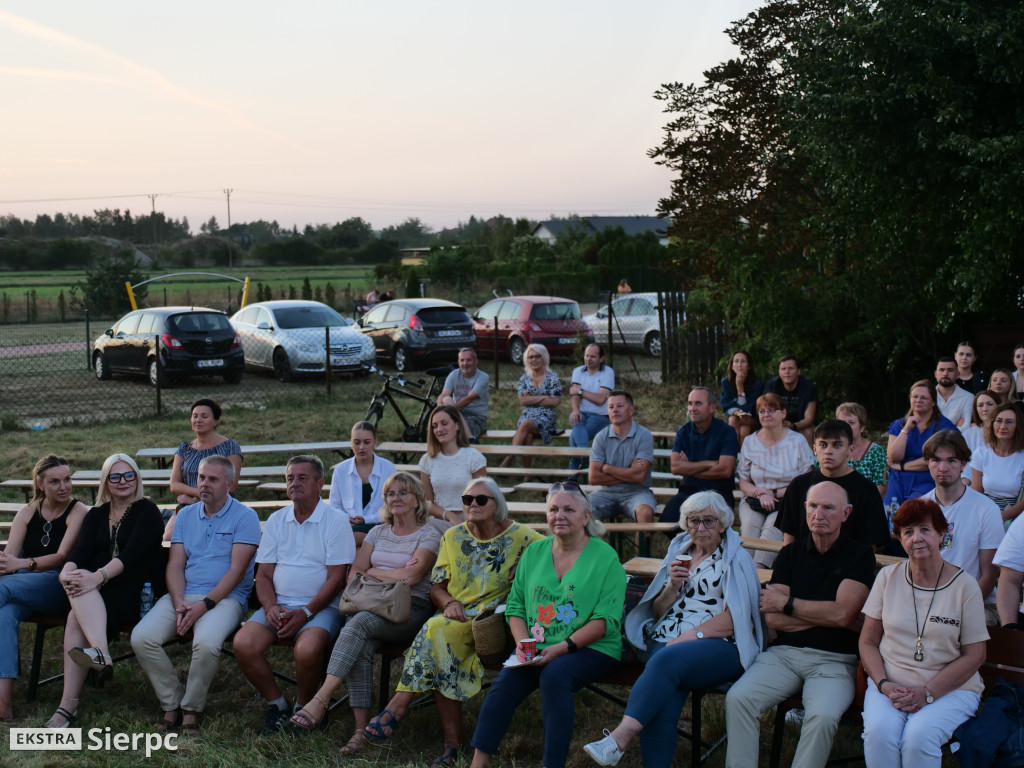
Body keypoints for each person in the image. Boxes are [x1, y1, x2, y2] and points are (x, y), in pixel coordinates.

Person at [364, 478, 544, 767]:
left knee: (436, 633)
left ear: (497, 505)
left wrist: (527, 570)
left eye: (481, 499)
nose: (472, 504)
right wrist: (448, 602)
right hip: (454, 616)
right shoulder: (453, 536)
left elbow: (556, 552)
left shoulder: (521, 536)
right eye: (467, 499)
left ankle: (400, 708)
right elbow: (437, 586)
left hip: (492, 622)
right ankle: (451, 746)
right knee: (441, 643)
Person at [583, 492, 764, 768]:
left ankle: (619, 739)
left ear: (723, 523)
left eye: (708, 521)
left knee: (666, 662)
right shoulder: (679, 552)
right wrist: (672, 587)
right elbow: (657, 612)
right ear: (686, 524)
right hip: (667, 642)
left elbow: (735, 619)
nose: (701, 528)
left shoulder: (736, 560)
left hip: (719, 645)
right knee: (664, 700)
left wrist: (688, 638)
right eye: (694, 521)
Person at [469, 482, 626, 768]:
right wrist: (522, 644)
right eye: (553, 509)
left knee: (555, 677)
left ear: (586, 516)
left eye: (569, 509)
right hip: (537, 648)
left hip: (592, 647)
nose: (559, 515)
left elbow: (605, 621)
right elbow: (515, 607)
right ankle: (477, 764)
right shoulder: (535, 552)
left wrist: (562, 648)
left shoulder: (606, 558)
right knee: (503, 685)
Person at [724, 481, 876, 768]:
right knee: (739, 699)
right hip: (784, 656)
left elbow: (842, 614)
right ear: (805, 509)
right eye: (814, 506)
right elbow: (773, 618)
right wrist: (828, 616)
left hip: (835, 662)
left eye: (829, 507)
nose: (819, 513)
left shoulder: (860, 556)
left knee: (823, 716)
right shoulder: (790, 554)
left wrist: (789, 604)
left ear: (846, 513)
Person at [289, 472, 441, 755]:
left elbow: (412, 577)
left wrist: (374, 571)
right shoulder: (377, 532)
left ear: (418, 499)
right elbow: (355, 571)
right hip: (369, 604)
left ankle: (321, 699)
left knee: (356, 625)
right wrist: (390, 574)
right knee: (360, 643)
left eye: (403, 493)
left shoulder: (429, 534)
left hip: (408, 610)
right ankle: (361, 733)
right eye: (391, 493)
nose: (396, 498)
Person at [131, 455, 261, 734]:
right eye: (201, 477)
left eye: (213, 479)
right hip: (184, 594)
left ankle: (191, 709)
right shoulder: (186, 515)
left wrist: (205, 605)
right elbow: (176, 565)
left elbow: (237, 572)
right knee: (142, 638)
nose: (204, 484)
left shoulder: (246, 517)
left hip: (225, 599)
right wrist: (178, 601)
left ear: (230, 483)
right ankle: (172, 701)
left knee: (206, 643)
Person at [232, 456, 355, 735]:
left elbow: (337, 579)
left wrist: (307, 612)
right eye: (290, 478)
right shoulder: (277, 520)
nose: (294, 483)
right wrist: (271, 606)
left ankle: (305, 709)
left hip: (320, 608)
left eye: (302, 478)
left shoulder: (335, 521)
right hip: (279, 604)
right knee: (243, 643)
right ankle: (277, 704)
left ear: (320, 484)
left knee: (307, 649)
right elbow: (262, 575)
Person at [860, 498, 987, 768]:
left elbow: (975, 655)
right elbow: (868, 641)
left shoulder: (966, 587)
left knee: (919, 737)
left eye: (925, 529)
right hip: (890, 686)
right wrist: (883, 684)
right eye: (908, 532)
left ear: (942, 534)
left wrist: (927, 693)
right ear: (900, 539)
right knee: (879, 735)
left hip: (951, 689)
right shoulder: (887, 577)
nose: (916, 538)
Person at [47, 454, 165, 728]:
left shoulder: (147, 510)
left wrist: (96, 577)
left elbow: (132, 555)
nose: (123, 481)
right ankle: (99, 657)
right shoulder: (97, 514)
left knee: (77, 606)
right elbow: (80, 551)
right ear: (106, 482)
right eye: (115, 476)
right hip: (97, 590)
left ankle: (68, 706)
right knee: (78, 594)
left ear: (137, 479)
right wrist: (68, 570)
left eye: (129, 475)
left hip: (138, 591)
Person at [0, 456, 88, 722]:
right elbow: (10, 558)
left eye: (67, 479)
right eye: (55, 481)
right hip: (21, 584)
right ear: (40, 484)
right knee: (3, 616)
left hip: (58, 583)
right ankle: (3, 704)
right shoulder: (28, 511)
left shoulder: (78, 510)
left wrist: (23, 564)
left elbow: (62, 556)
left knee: (2, 590)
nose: (64, 486)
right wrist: (9, 564)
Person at [921, 430, 1003, 625]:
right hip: (928, 601)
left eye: (951, 460)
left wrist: (952, 609)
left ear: (963, 464)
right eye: (936, 460)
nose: (943, 467)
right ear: (928, 463)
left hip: (977, 602)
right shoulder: (921, 507)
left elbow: (989, 576)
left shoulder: (986, 509)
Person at [777, 420, 890, 551]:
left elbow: (870, 546)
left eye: (837, 445)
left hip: (849, 567)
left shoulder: (867, 490)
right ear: (814, 449)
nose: (828, 451)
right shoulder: (798, 485)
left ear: (850, 450)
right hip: (803, 565)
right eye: (823, 445)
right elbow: (789, 540)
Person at [736, 393, 814, 566]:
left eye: (772, 410)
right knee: (749, 528)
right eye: (762, 411)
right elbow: (743, 480)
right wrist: (760, 493)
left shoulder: (797, 441)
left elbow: (806, 479)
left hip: (788, 500)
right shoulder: (749, 441)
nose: (766, 415)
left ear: (783, 414)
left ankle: (759, 575)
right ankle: (744, 572)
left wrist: (773, 493)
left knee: (771, 532)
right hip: (754, 499)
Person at [164, 398, 243, 541]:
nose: (198, 420)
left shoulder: (230, 447)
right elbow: (174, 484)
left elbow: (231, 487)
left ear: (215, 421)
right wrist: (195, 499)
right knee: (168, 537)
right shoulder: (184, 449)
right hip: (187, 505)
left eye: (204, 416)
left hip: (221, 505)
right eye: (195, 416)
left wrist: (196, 498)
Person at [662, 386, 738, 523]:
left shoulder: (727, 432)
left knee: (711, 526)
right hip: (689, 491)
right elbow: (675, 468)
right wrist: (708, 464)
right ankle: (691, 545)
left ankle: (703, 545)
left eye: (698, 403)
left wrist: (689, 469)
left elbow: (725, 470)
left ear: (712, 407)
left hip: (719, 493)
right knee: (667, 520)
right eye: (690, 403)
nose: (692, 408)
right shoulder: (683, 433)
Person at [588, 391, 657, 526]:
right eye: (611, 407)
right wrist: (629, 473)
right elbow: (593, 478)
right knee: (581, 510)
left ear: (631, 410)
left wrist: (607, 468)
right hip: (606, 492)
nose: (615, 410)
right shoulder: (601, 437)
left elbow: (639, 477)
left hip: (637, 492)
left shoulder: (644, 435)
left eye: (620, 406)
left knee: (645, 514)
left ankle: (641, 548)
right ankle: (592, 548)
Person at [886, 380, 957, 507]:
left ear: (933, 402)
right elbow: (893, 458)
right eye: (915, 397)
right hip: (898, 480)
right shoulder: (899, 425)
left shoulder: (944, 427)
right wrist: (906, 429)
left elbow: (932, 461)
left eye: (924, 398)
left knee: (912, 511)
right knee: (888, 511)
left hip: (927, 480)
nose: (918, 400)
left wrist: (902, 466)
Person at [328, 421, 398, 546]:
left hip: (381, 525)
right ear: (351, 443)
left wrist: (366, 520)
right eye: (356, 442)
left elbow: (392, 505)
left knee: (351, 539)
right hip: (348, 526)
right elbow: (335, 505)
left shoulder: (388, 468)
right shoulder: (341, 470)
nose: (361, 447)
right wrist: (346, 518)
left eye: (367, 442)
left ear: (375, 443)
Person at [419, 405, 487, 529]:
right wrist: (449, 515)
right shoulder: (427, 460)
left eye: (444, 423)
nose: (439, 429)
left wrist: (466, 519)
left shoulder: (473, 457)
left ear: (457, 425)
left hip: (471, 519)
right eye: (435, 426)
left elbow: (483, 497)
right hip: (440, 521)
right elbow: (427, 503)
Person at [499, 343, 563, 474]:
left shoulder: (552, 378)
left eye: (537, 356)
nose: (533, 360)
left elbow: (556, 401)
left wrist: (532, 398)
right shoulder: (524, 379)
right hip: (527, 416)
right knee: (527, 434)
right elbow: (522, 400)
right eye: (530, 357)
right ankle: (528, 475)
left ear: (544, 357)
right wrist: (544, 396)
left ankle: (508, 458)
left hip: (546, 419)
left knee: (526, 425)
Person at [971, 402, 1024, 526]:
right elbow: (976, 493)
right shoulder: (981, 454)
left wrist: (999, 518)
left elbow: (1023, 504)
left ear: (1018, 426)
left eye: (1009, 422)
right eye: (999, 421)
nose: (1003, 426)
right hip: (984, 512)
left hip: (1014, 517)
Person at [568, 343, 615, 474]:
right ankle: (585, 459)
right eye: (586, 356)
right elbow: (574, 396)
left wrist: (581, 391)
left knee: (574, 437)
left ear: (601, 359)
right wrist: (576, 410)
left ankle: (574, 475)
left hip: (600, 416)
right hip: (581, 413)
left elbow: (600, 400)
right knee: (575, 420)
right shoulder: (578, 371)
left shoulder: (608, 372)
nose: (588, 359)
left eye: (593, 357)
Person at [835, 402, 888, 495]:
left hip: (866, 504)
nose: (846, 427)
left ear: (862, 427)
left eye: (851, 423)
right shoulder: (830, 449)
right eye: (842, 422)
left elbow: (881, 488)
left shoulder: (876, 451)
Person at [439, 348, 490, 440]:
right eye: (462, 360)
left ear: (476, 361)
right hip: (456, 413)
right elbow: (443, 395)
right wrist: (439, 413)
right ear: (458, 362)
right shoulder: (453, 375)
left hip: (476, 418)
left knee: (457, 429)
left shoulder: (483, 377)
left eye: (469, 360)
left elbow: (469, 398)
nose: (465, 364)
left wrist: (448, 412)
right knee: (446, 400)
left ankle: (469, 446)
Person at [765, 355, 818, 443]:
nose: (787, 372)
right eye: (783, 369)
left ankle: (808, 457)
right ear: (779, 372)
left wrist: (793, 426)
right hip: (779, 424)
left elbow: (809, 419)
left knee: (808, 432)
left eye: (791, 368)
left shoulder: (809, 387)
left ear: (798, 371)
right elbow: (769, 412)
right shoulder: (772, 386)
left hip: (801, 425)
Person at [720, 349, 764, 449]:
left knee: (732, 420)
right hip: (737, 418)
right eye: (736, 361)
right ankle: (742, 459)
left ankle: (731, 455)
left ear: (749, 366)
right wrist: (735, 412)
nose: (739, 365)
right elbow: (725, 405)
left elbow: (749, 410)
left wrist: (740, 386)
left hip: (754, 420)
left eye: (743, 361)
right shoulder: (726, 382)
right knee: (744, 430)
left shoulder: (757, 384)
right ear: (732, 366)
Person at [960, 389, 999, 477]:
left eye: (990, 404)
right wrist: (966, 480)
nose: (985, 409)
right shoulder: (968, 434)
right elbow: (965, 463)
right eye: (980, 405)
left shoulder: (1005, 433)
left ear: (999, 406)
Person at [934, 357, 974, 429]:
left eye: (950, 370)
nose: (945, 374)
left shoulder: (968, 397)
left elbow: (965, 427)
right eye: (942, 370)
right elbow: (924, 425)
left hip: (955, 440)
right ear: (936, 374)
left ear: (957, 375)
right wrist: (954, 427)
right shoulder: (928, 396)